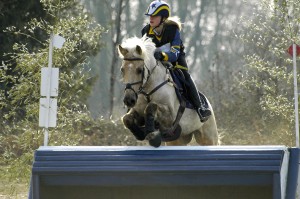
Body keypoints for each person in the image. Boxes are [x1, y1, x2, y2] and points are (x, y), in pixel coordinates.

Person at [141, 0, 211, 122]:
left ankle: (200, 108)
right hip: (156, 63)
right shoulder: (145, 31)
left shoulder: (173, 30)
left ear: (163, 18)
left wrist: (162, 55)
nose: (151, 18)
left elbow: (174, 54)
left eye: (155, 16)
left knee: (185, 76)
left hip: (176, 60)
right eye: (150, 16)